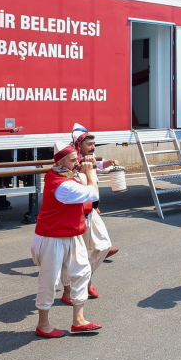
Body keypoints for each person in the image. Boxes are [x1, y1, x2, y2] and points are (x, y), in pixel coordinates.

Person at [30, 145, 103, 334]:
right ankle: (43, 325)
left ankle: (78, 320)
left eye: (77, 158)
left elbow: (83, 187)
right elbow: (93, 194)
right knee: (49, 280)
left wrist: (85, 170)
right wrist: (90, 171)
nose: (77, 162)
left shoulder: (63, 174)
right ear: (60, 162)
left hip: (71, 233)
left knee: (82, 272)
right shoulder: (63, 184)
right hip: (52, 237)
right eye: (72, 160)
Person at [61, 124, 120, 305]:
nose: (93, 147)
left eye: (94, 144)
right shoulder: (72, 161)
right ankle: (67, 291)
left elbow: (97, 166)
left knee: (104, 245)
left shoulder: (90, 159)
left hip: (91, 211)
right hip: (74, 214)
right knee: (70, 257)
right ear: (78, 145)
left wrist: (105, 163)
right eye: (89, 144)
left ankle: (86, 278)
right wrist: (81, 167)